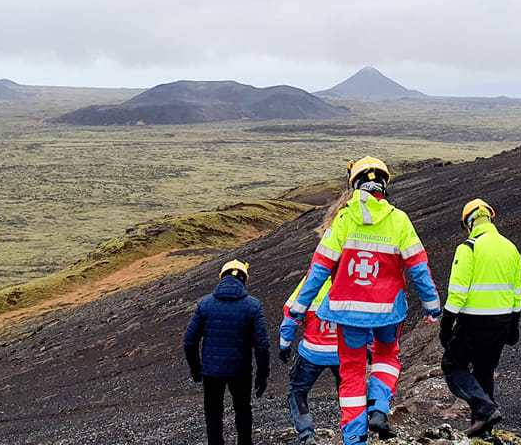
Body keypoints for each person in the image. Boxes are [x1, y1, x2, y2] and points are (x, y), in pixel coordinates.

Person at [289, 156, 443, 445]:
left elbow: (319, 269)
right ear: (383, 185)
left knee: (352, 374)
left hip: (348, 315)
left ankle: (354, 438)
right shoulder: (399, 219)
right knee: (386, 356)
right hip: (388, 312)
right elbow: (419, 267)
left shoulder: (344, 219)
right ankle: (379, 409)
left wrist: (299, 308)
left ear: (354, 185)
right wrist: (432, 305)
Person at [439, 199, 521, 437]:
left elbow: (457, 292)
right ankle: (483, 429)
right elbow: (518, 292)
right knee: (484, 371)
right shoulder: (511, 248)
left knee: (453, 366)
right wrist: (513, 326)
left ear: (469, 223)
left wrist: (446, 327)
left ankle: (485, 409)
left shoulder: (469, 247)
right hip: (502, 322)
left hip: (473, 323)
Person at [183, 260, 271, 445]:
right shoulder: (253, 306)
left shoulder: (205, 304)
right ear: (244, 280)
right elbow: (262, 346)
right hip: (240, 371)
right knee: (243, 410)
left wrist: (196, 369)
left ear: (221, 278)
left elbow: (189, 341)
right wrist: (262, 376)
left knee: (213, 414)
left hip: (211, 372)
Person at [280, 273, 341, 445]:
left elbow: (291, 314)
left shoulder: (312, 280)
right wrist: (368, 346)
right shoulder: (352, 278)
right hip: (344, 353)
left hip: (312, 352)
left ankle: (307, 437)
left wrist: (285, 345)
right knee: (349, 393)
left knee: (297, 393)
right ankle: (352, 432)